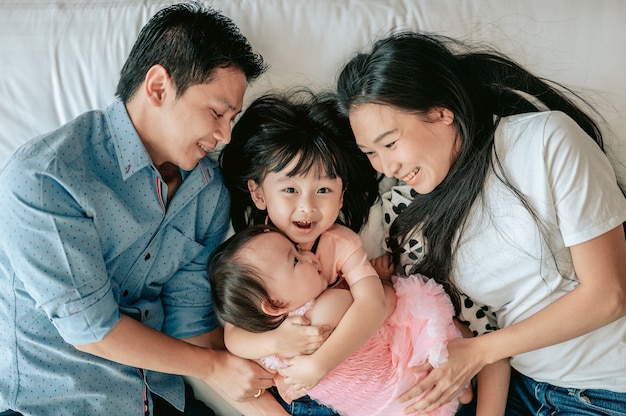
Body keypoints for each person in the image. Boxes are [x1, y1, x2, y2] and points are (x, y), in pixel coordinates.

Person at [0, 3, 293, 415]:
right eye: (216, 112)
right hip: (53, 402)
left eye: (232, 119)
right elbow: (92, 331)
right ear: (158, 87)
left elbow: (191, 327)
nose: (225, 135)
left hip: (159, 399)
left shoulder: (207, 194)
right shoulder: (47, 177)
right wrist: (213, 367)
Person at [336, 31, 626, 415]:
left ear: (441, 112)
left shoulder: (544, 141)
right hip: (523, 386)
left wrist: (477, 353)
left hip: (604, 391)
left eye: (389, 144)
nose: (386, 166)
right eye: (370, 152)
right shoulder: (421, 204)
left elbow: (609, 295)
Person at [219, 89, 392, 414]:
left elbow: (374, 303)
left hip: (347, 371)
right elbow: (233, 336)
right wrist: (275, 341)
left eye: (324, 190)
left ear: (341, 197)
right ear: (258, 194)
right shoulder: (251, 249)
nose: (307, 207)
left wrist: (320, 364)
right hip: (299, 390)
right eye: (289, 189)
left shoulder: (341, 243)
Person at [208, 224, 481, 415]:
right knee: (428, 338)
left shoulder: (265, 348)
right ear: (274, 304)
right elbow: (382, 304)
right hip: (393, 381)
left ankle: (461, 391)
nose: (310, 256)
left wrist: (274, 341)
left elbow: (234, 341)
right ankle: (462, 390)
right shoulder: (328, 306)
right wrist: (381, 282)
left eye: (298, 249)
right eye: (295, 260)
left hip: (381, 404)